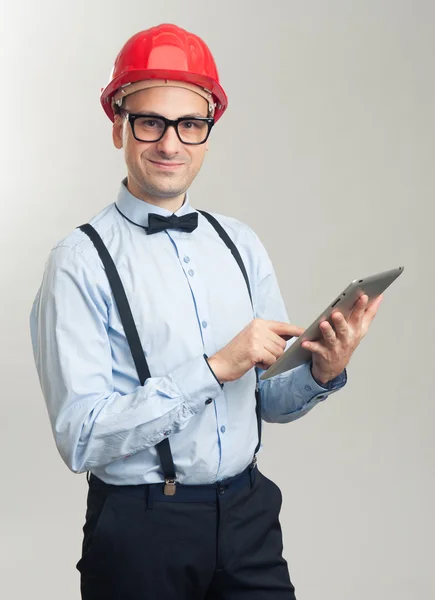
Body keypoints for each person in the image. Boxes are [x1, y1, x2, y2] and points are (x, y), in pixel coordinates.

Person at [30, 23, 382, 600]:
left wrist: (322, 370)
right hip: (142, 530)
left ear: (208, 134)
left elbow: (268, 397)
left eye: (189, 125)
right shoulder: (77, 262)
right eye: (151, 122)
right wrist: (215, 367)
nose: (171, 144)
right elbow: (82, 437)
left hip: (248, 518)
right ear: (119, 126)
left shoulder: (239, 243)